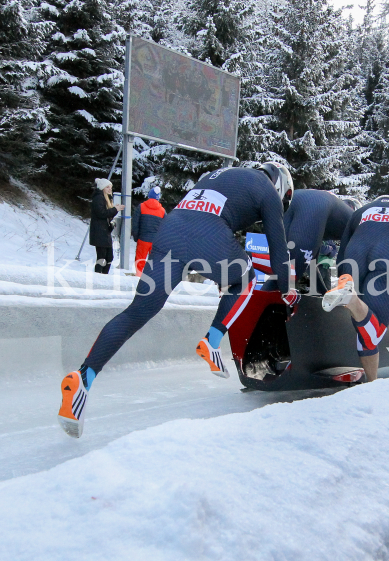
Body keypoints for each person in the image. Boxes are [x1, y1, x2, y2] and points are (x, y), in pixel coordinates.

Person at [58, 163, 298, 438]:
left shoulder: (217, 174)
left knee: (137, 312)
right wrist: (288, 290)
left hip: (169, 231)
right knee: (246, 277)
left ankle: (83, 378)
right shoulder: (267, 190)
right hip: (207, 236)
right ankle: (213, 339)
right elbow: (279, 253)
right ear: (280, 186)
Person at [321, 195, 389, 383]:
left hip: (354, 255)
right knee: (373, 333)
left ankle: (350, 295)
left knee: (363, 323)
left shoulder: (360, 212)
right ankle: (372, 385)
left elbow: (341, 255)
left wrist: (344, 277)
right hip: (388, 255)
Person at [283, 189, 355, 293]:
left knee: (283, 271)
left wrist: (323, 293)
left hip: (295, 197)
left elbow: (312, 264)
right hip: (316, 203)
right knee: (288, 277)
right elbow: (344, 262)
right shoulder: (356, 222)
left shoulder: (333, 217)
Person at [130, 185, 165, 276]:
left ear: (149, 196)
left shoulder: (141, 207)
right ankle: (152, 278)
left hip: (143, 239)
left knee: (140, 259)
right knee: (154, 261)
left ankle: (139, 277)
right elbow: (165, 227)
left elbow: (135, 223)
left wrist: (136, 236)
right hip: (155, 241)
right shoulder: (162, 211)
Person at [90, 178, 124, 274]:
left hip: (104, 231)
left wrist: (114, 209)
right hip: (99, 231)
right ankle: (99, 277)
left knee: (109, 257)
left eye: (111, 187)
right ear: (102, 188)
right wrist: (115, 209)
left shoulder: (106, 198)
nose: (110, 189)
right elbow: (101, 213)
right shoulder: (98, 198)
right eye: (107, 187)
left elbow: (107, 215)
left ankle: (103, 276)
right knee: (102, 257)